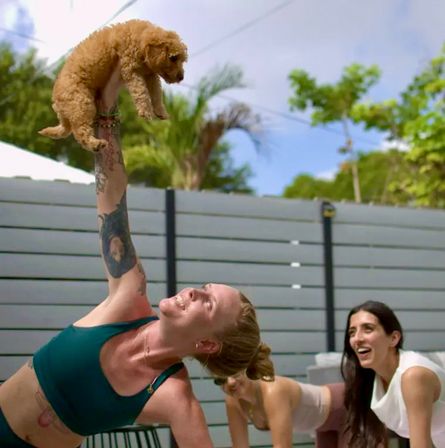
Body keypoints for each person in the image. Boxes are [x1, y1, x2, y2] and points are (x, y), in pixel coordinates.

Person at [0, 66, 274, 448]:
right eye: (205, 287)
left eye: (208, 303)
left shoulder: (176, 399)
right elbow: (111, 200)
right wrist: (108, 108)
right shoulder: (129, 296)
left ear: (208, 345)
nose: (194, 291)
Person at [342, 300, 445, 448]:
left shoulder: (413, 375)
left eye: (368, 329)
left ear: (394, 338)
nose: (357, 338)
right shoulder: (373, 379)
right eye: (352, 332)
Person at [214, 357, 349, 447]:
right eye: (221, 379)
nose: (230, 382)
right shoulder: (233, 401)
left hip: (346, 406)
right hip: (321, 424)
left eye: (234, 373)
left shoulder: (273, 390)